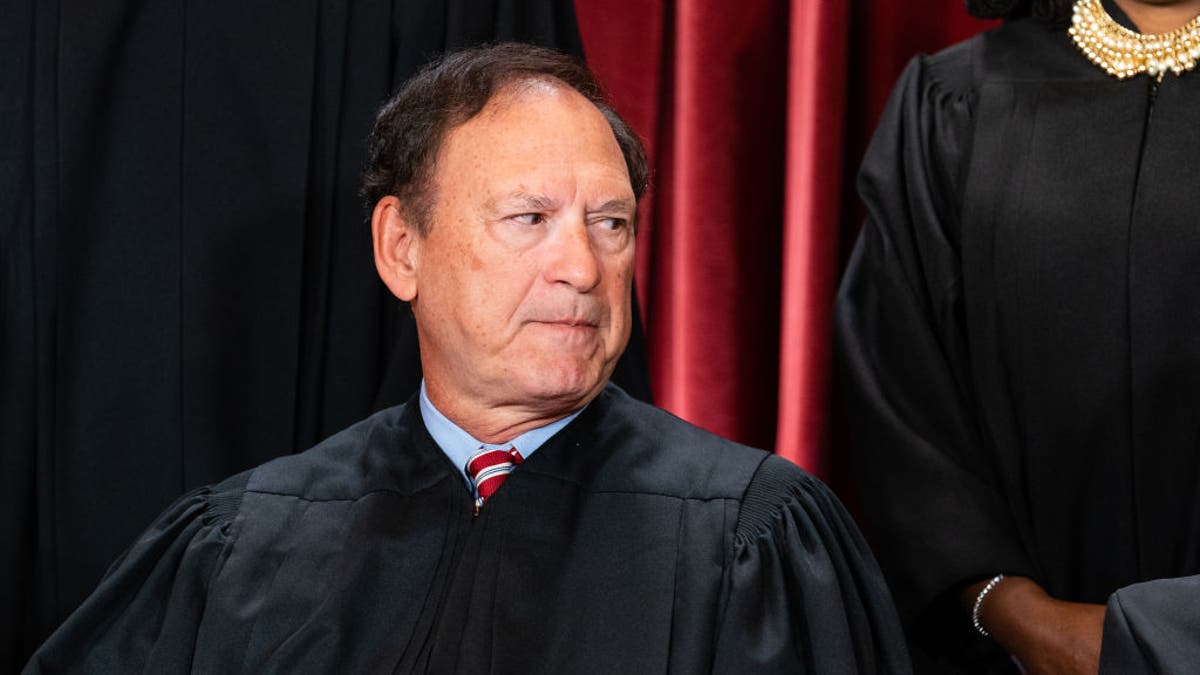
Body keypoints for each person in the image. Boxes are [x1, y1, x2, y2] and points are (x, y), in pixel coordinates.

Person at [24, 43, 909, 673]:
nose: (583, 267)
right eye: (530, 219)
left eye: (612, 224)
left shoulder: (752, 540)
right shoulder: (240, 545)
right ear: (401, 248)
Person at [836, 0, 1200, 673]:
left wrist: (1173, 634)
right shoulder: (953, 100)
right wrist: (1017, 614)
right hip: (1006, 651)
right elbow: (901, 386)